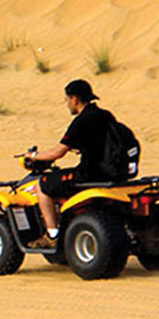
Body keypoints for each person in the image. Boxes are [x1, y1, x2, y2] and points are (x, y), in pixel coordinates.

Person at [27, 79, 117, 248]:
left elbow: (57, 152)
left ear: (74, 99)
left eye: (67, 100)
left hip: (89, 173)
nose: (67, 104)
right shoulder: (106, 115)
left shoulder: (81, 121)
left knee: (43, 184)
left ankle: (52, 234)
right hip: (112, 172)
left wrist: (34, 156)